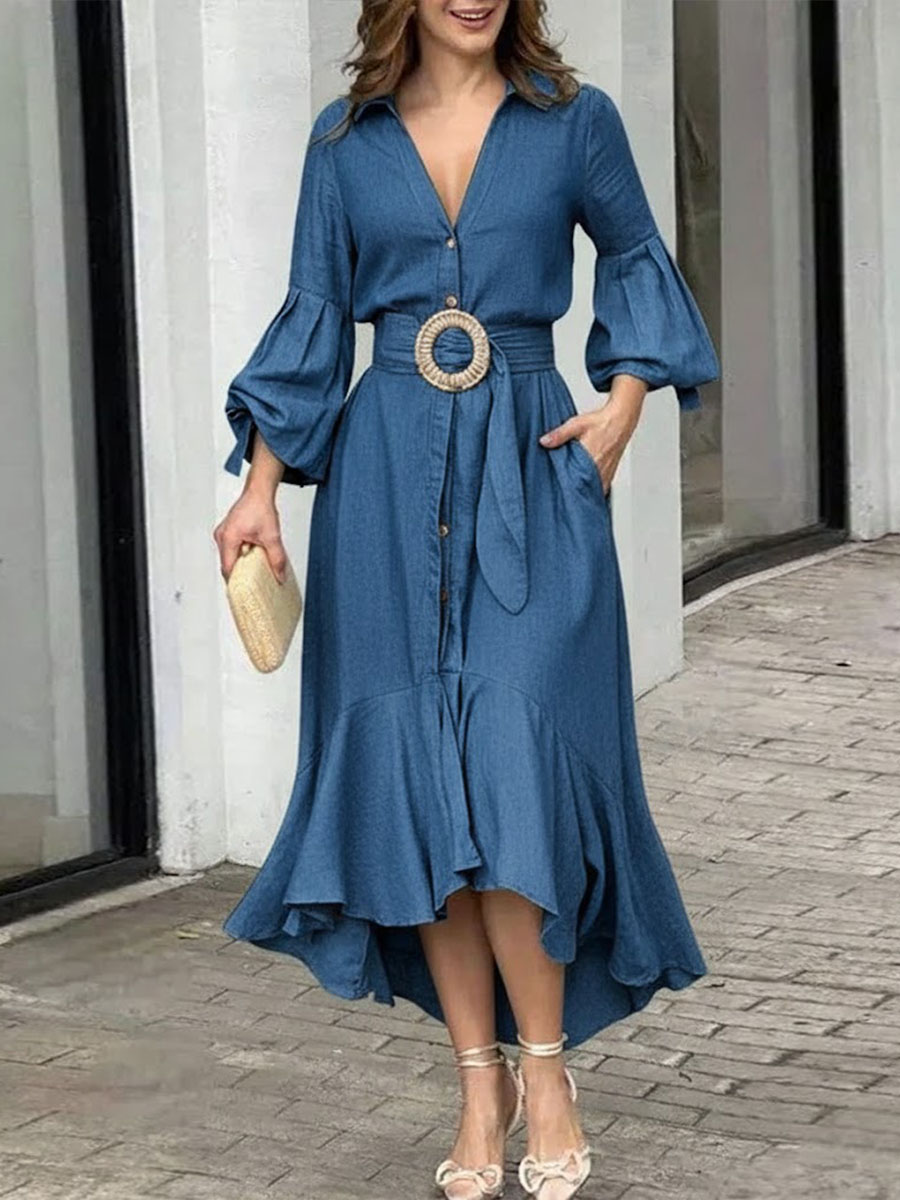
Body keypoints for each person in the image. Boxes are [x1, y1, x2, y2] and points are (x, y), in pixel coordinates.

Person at [212, 2, 719, 1197]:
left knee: (513, 763)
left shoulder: (575, 123)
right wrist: (261, 490)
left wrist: (625, 401)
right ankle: (479, 1083)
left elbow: (638, 258)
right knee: (419, 792)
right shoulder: (344, 143)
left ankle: (548, 1071)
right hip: (385, 485)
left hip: (532, 468)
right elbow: (312, 319)